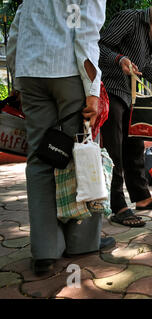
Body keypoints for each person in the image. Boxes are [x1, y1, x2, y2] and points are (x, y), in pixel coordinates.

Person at [6, 0, 115, 275]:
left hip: (30, 72)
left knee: (40, 159)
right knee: (80, 154)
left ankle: (45, 250)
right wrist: (92, 89)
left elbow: (17, 29)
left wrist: (18, 79)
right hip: (67, 70)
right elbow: (86, 33)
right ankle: (82, 242)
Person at [98, 0, 152, 227]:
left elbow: (147, 69)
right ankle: (117, 206)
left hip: (131, 95)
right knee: (114, 148)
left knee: (135, 145)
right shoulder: (130, 17)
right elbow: (99, 46)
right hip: (111, 89)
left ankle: (142, 198)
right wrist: (120, 59)